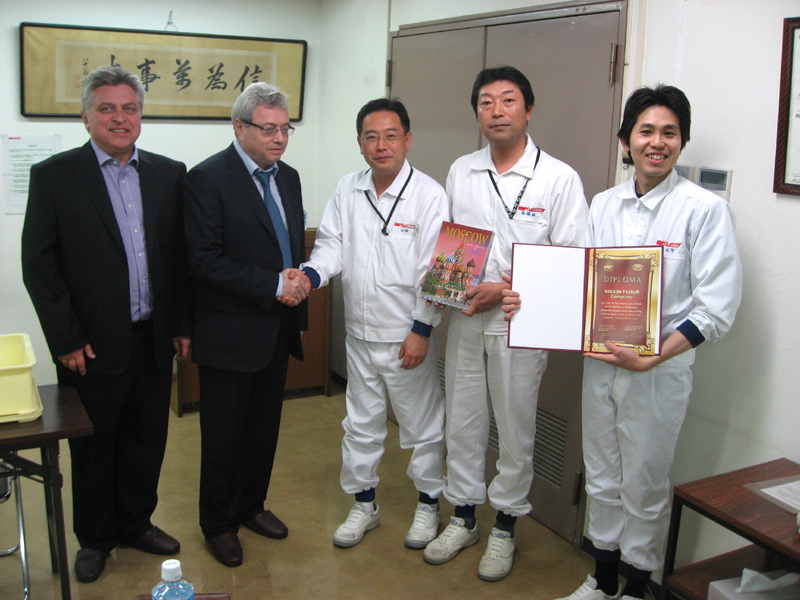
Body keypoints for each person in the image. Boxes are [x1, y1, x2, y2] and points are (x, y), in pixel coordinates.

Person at [503, 84, 742, 600]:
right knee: (603, 476)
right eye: (646, 131)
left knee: (645, 483)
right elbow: (581, 282)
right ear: (626, 140)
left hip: (659, 373)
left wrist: (653, 356)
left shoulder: (703, 209)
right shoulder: (604, 203)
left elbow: (715, 308)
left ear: (682, 141)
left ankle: (636, 585)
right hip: (601, 365)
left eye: (669, 133)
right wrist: (530, 299)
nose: (657, 142)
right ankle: (603, 578)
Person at [21, 65, 190, 583]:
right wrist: (66, 338)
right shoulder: (55, 176)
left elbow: (179, 258)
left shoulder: (168, 173)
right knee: (94, 447)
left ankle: (136, 523)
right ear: (85, 116)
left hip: (153, 337)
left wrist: (181, 324)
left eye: (129, 108)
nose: (120, 118)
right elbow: (40, 265)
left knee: (146, 439)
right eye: (107, 109)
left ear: (140, 115)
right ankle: (95, 538)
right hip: (90, 347)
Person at [423, 66, 588, 582]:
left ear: (528, 110)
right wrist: (448, 284)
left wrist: (504, 286)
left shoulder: (558, 178)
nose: (497, 111)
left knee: (515, 429)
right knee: (463, 421)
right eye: (486, 102)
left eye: (508, 100)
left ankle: (505, 527)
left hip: (521, 321)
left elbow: (573, 260)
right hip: (466, 317)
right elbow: (453, 243)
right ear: (477, 112)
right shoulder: (462, 170)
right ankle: (464, 516)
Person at [299, 98, 449, 550]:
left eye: (390, 136)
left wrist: (422, 329)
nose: (381, 145)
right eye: (371, 137)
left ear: (407, 139)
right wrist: (310, 275)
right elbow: (330, 245)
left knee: (423, 427)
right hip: (359, 334)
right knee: (360, 424)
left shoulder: (429, 195)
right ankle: (364, 504)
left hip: (406, 337)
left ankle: (428, 505)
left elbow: (436, 269)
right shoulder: (349, 189)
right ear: (360, 143)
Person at [183, 82, 309, 567]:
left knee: (263, 429)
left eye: (286, 129)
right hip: (229, 331)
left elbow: (288, 244)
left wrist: (294, 284)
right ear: (239, 127)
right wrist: (274, 284)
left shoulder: (288, 177)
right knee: (223, 435)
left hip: (276, 326)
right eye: (268, 129)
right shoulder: (207, 178)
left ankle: (252, 505)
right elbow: (204, 259)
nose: (279, 138)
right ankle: (218, 523)